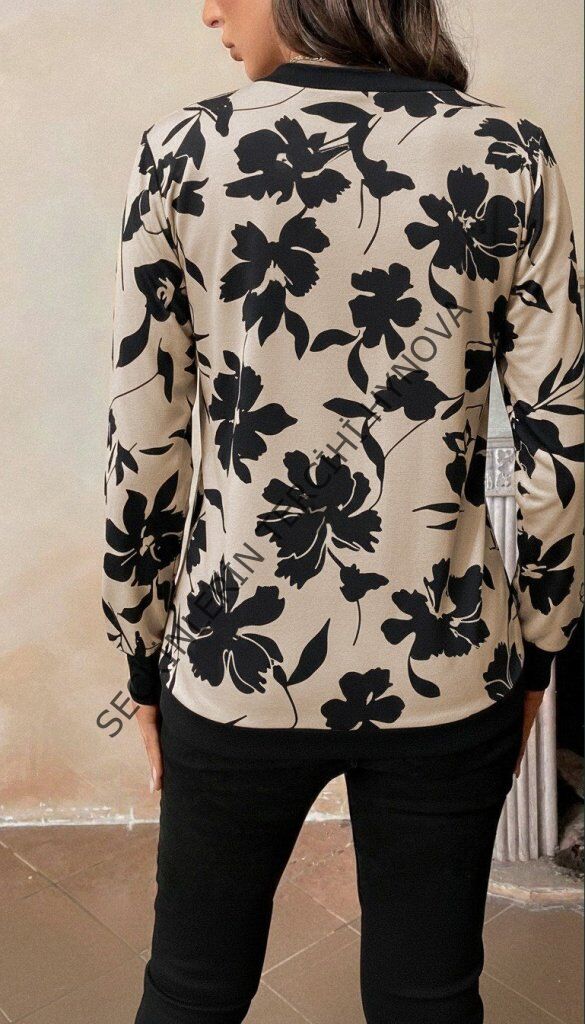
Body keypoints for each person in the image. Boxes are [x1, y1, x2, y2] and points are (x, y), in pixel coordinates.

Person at [102, 1, 584, 1021]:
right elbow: (561, 436)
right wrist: (541, 644)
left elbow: (145, 438)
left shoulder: (183, 152)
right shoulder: (507, 154)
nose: (208, 10)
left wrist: (141, 651)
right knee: (429, 994)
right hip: (447, 661)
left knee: (189, 987)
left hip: (234, 657)